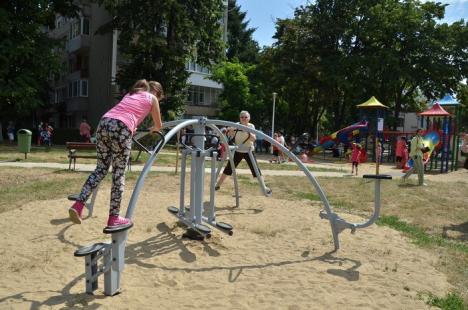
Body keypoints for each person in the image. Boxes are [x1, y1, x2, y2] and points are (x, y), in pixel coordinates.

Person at [69, 79, 164, 229]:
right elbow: (159, 125)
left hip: (104, 123)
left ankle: (78, 205)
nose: (158, 100)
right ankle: (114, 217)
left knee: (100, 169)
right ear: (156, 92)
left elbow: (126, 113)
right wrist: (153, 129)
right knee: (118, 174)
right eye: (159, 97)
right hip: (121, 128)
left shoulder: (131, 94)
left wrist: (131, 127)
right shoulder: (152, 98)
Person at [215, 111, 260, 190]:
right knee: (228, 168)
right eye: (242, 117)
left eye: (246, 117)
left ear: (249, 118)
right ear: (239, 118)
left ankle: (263, 187)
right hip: (238, 150)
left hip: (248, 151)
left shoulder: (251, 126)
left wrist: (246, 131)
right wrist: (230, 131)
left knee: (256, 170)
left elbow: (253, 139)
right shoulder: (236, 125)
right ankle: (218, 184)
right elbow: (229, 134)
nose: (244, 119)